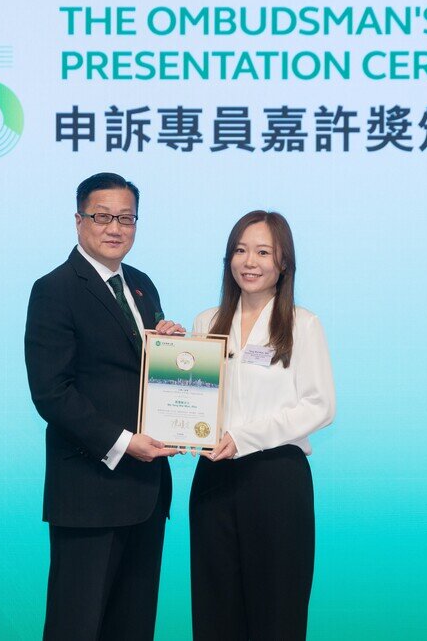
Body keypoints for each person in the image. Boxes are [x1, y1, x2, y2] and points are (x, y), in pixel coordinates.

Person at [25, 172, 183, 641]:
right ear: (79, 221)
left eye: (126, 218)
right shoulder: (54, 289)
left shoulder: (142, 285)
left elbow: (141, 372)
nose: (115, 228)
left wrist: (170, 348)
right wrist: (123, 443)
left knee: (133, 626)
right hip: (89, 491)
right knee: (76, 626)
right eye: (102, 217)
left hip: (146, 491)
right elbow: (51, 392)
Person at [190, 210, 335, 641]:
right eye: (240, 250)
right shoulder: (206, 322)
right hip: (214, 477)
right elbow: (193, 397)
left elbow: (320, 406)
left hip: (276, 480)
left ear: (283, 263)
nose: (249, 262)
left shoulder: (303, 324)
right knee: (215, 609)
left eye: (263, 252)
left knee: (277, 610)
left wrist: (244, 437)